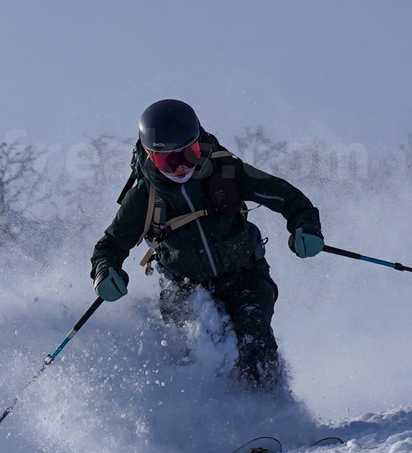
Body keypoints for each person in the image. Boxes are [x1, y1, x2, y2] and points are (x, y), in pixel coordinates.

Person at [90, 99, 323, 392]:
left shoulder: (226, 170)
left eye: (191, 153)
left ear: (200, 142)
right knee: (195, 348)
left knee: (254, 334)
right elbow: (109, 246)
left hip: (244, 273)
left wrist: (306, 227)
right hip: (184, 286)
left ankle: (270, 410)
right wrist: (105, 271)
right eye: (169, 161)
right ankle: (207, 424)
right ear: (151, 156)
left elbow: (288, 198)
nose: (182, 166)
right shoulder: (145, 196)